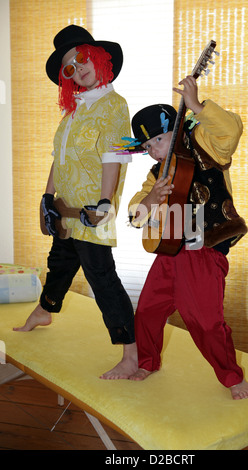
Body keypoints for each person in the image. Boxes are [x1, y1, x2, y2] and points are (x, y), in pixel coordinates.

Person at [13, 25, 137, 380]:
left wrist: (103, 202)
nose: (77, 68)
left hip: (92, 212)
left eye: (81, 58)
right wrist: (47, 196)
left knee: (101, 277)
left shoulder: (114, 104)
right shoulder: (72, 113)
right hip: (66, 207)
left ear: (99, 58)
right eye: (69, 67)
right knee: (60, 262)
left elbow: (115, 156)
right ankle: (45, 309)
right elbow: (59, 158)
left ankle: (130, 353)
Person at [125, 75, 248, 399]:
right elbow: (134, 216)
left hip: (203, 249)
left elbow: (230, 132)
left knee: (206, 322)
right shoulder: (156, 174)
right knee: (148, 311)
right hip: (169, 251)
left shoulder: (204, 145)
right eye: (148, 146)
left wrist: (198, 106)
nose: (153, 151)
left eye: (159, 140)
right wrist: (151, 199)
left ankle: (231, 376)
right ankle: (147, 361)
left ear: (179, 129)